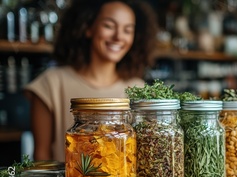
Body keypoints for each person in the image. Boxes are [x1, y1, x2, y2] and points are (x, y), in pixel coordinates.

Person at [25, 0, 158, 162]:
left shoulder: (139, 89)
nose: (118, 36)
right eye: (109, 26)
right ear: (87, 28)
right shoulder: (51, 83)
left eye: (127, 30)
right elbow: (41, 157)